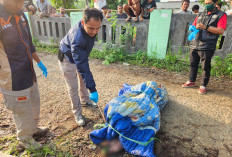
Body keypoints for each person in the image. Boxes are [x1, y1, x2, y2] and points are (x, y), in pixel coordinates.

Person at [0, 0, 48, 150]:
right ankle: (25, 139)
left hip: (29, 71)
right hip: (12, 77)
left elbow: (28, 41)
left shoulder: (20, 13)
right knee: (22, 109)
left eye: (23, 2)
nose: (21, 6)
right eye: (18, 2)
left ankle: (33, 129)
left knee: (34, 103)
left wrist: (39, 62)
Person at [58, 8, 103, 126]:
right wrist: (92, 88)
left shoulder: (89, 27)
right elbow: (82, 64)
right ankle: (77, 113)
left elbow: (82, 62)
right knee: (73, 87)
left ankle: (85, 100)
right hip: (67, 58)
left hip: (79, 56)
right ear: (83, 23)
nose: (95, 31)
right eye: (92, 28)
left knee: (83, 80)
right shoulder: (78, 39)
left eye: (98, 28)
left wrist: (89, 84)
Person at [182, 0, 227, 94]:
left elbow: (221, 31)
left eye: (209, 3)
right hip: (195, 44)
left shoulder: (221, 15)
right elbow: (194, 25)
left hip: (208, 45)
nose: (206, 5)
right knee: (192, 64)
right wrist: (192, 28)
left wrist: (205, 27)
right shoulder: (201, 14)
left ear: (215, 3)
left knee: (205, 67)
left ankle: (203, 85)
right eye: (205, 3)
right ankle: (191, 81)